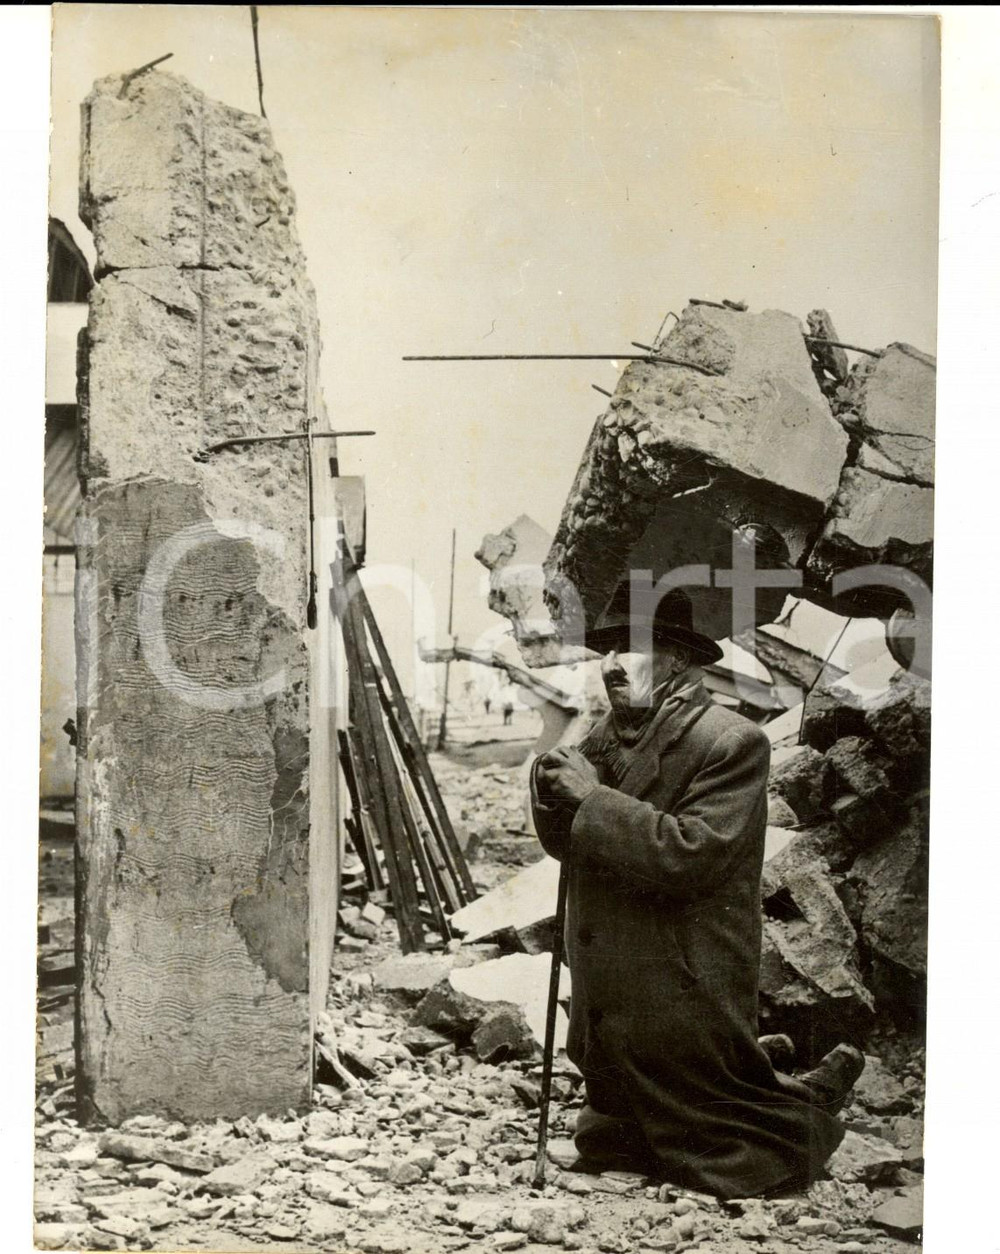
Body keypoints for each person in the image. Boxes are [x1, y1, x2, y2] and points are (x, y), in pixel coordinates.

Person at [530, 588, 864, 1201]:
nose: (611, 665)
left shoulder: (730, 741)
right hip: (613, 976)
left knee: (721, 1139)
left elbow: (693, 855)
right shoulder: (605, 736)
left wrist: (590, 797)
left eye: (631, 648)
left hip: (681, 970)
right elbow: (570, 846)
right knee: (619, 1125)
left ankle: (802, 1114)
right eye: (608, 651)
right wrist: (549, 790)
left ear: (678, 659)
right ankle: (777, 1080)